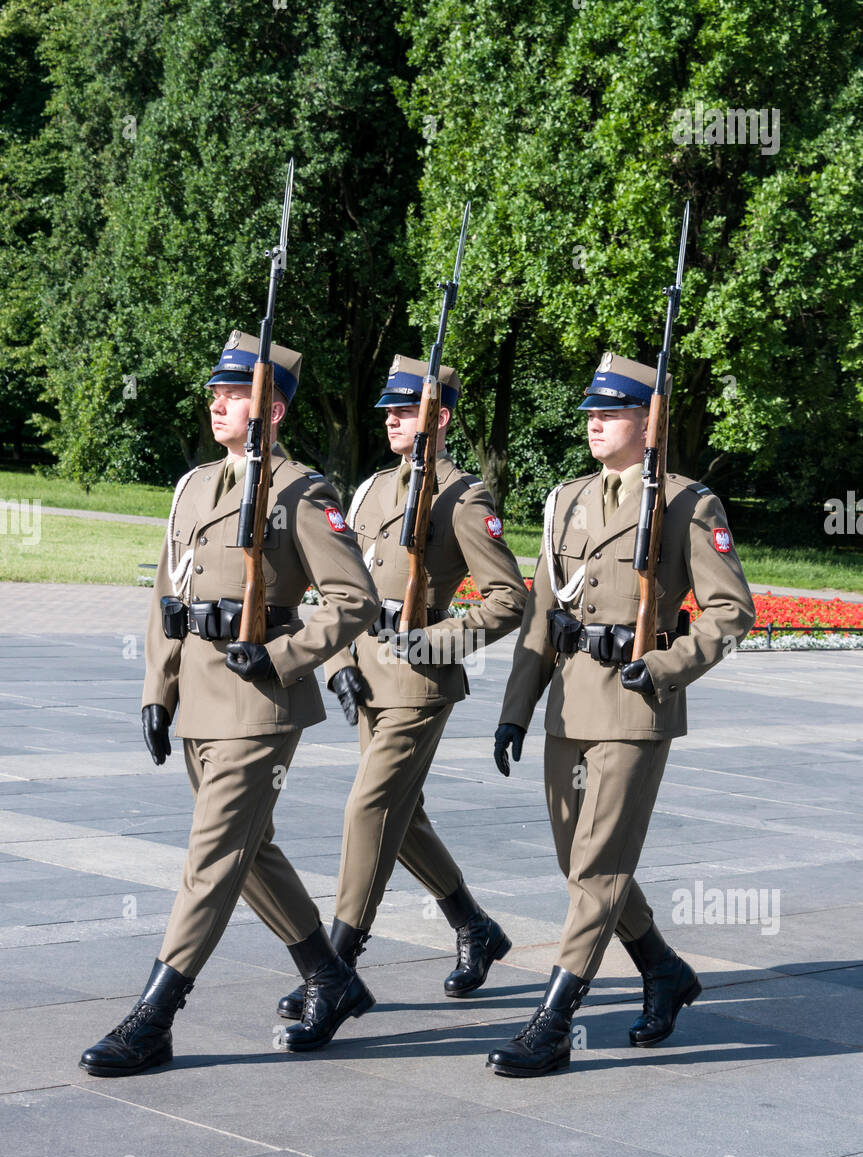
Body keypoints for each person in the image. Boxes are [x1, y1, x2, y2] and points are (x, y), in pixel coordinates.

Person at [80, 330, 380, 1077]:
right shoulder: (191, 486)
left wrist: (282, 654)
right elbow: (164, 597)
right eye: (213, 393)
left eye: (233, 394)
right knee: (248, 852)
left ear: (271, 407)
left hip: (258, 702)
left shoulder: (302, 492)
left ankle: (154, 1017)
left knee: (211, 857)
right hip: (198, 702)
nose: (217, 404)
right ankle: (329, 978)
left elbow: (354, 601)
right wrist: (158, 687)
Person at [488, 352, 756, 1077]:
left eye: (609, 413)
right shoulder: (566, 499)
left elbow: (731, 613)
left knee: (600, 865)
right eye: (590, 413)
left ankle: (552, 1021)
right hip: (568, 703)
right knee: (579, 864)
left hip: (634, 706)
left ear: (648, 423)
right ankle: (662, 969)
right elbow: (543, 614)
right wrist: (516, 710)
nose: (594, 424)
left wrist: (666, 666)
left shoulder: (685, 503)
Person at [277, 353, 528, 1021]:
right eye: (385, 409)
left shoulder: (464, 499)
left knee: (368, 809)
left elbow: (508, 600)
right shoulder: (367, 492)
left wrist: (437, 641)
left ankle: (333, 967)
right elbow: (334, 586)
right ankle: (474, 926)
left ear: (438, 419)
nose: (388, 418)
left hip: (419, 683)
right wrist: (335, 664)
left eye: (402, 409)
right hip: (363, 673)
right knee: (401, 816)